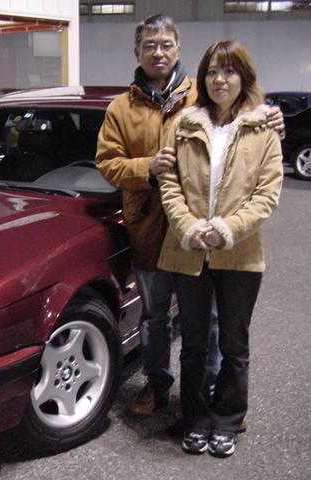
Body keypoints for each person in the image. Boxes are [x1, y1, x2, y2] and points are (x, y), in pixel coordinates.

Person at [95, 14, 284, 417]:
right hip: (151, 227)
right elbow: (107, 163)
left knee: (210, 321)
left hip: (205, 234)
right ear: (136, 52)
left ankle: (212, 392)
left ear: (178, 49)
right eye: (150, 45)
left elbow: (246, 117)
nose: (158, 52)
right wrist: (147, 166)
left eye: (166, 44)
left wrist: (273, 115)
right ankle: (157, 385)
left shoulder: (205, 91)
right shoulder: (121, 108)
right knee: (154, 316)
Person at [157, 40, 283, 457]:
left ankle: (227, 419)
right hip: (188, 250)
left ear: (244, 77)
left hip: (240, 254)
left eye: (228, 71)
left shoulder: (263, 129)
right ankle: (195, 419)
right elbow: (170, 183)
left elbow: (267, 194)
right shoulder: (185, 123)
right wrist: (189, 227)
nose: (219, 79)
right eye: (212, 71)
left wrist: (227, 229)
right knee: (193, 344)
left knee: (234, 344)